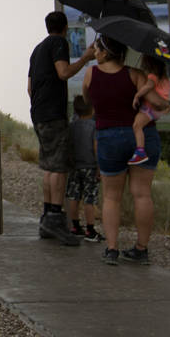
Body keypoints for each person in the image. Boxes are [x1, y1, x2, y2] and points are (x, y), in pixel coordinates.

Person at [83, 33, 166, 266]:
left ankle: (111, 249)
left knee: (111, 197)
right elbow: (158, 102)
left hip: (109, 137)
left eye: (97, 48)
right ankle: (141, 249)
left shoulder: (91, 74)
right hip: (142, 136)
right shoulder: (134, 74)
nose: (95, 51)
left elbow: (88, 99)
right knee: (142, 194)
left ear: (106, 51)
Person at [28, 11, 95, 246]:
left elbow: (29, 87)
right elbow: (63, 72)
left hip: (38, 113)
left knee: (49, 166)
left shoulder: (37, 50)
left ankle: (47, 216)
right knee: (58, 167)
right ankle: (56, 218)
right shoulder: (59, 43)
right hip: (53, 113)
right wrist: (86, 58)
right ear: (65, 27)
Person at [66, 95, 103, 241]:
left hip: (75, 166)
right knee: (89, 198)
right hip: (90, 167)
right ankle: (90, 229)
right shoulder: (94, 126)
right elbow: (96, 147)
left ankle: (74, 226)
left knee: (74, 196)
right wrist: (99, 167)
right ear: (92, 109)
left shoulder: (72, 126)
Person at [129, 56, 170, 165]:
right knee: (139, 125)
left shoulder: (152, 76)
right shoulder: (164, 78)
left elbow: (148, 87)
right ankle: (140, 151)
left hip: (149, 108)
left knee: (137, 126)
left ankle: (140, 152)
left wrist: (137, 95)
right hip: (157, 111)